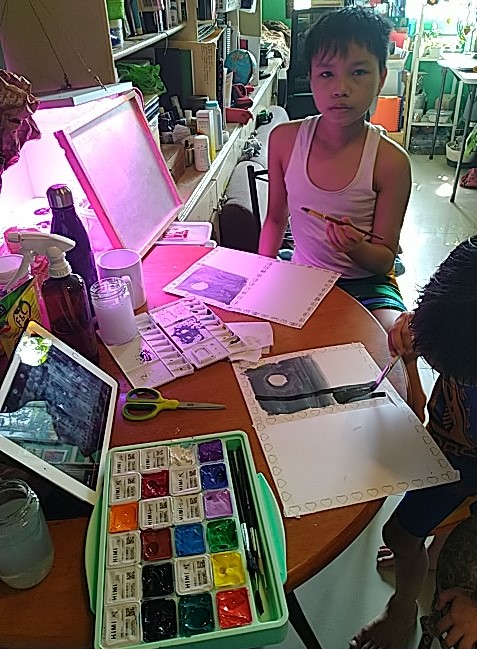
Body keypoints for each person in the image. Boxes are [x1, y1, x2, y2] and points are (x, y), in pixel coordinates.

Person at [257, 6, 426, 418]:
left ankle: (414, 391)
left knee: (394, 358)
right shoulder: (284, 140)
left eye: (358, 72)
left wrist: (355, 248)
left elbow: (383, 258)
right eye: (327, 74)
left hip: (368, 284)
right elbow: (276, 218)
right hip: (304, 278)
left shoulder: (391, 162)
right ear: (311, 78)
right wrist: (263, 275)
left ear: (381, 78)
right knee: (273, 374)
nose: (341, 88)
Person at [351, 235, 477, 649]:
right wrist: (409, 349)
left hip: (466, 466)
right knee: (421, 530)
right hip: (449, 445)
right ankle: (434, 543)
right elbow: (419, 410)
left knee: (399, 535)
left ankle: (402, 610)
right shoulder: (455, 316)